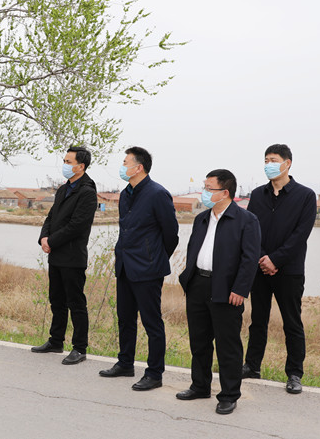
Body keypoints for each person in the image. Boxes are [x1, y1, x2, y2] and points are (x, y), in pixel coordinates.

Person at [176, 169, 260, 415]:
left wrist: (240, 289)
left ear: (225, 193)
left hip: (226, 289)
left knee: (228, 345)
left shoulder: (246, 220)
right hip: (198, 285)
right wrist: (188, 279)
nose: (203, 192)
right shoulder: (202, 218)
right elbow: (193, 249)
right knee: (199, 341)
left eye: (208, 188)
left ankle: (229, 395)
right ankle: (200, 386)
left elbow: (250, 259)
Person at [99, 147, 178, 390]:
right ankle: (125, 363)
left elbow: (171, 234)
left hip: (148, 269)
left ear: (139, 167)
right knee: (125, 318)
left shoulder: (158, 194)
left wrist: (154, 258)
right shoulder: (126, 194)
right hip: (125, 265)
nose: (122, 167)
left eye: (125, 162)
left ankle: (154, 373)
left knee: (152, 323)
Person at [242, 144, 317, 394]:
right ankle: (252, 366)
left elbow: (300, 235)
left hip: (289, 270)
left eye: (273, 160)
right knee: (257, 321)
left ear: (287, 163)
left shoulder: (305, 196)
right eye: (266, 160)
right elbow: (251, 229)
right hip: (260, 269)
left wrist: (275, 260)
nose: (268, 165)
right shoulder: (257, 194)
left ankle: (294, 373)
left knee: (292, 323)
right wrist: (262, 258)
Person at [31, 146, 98, 365]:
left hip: (72, 256)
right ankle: (56, 340)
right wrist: (43, 237)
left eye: (69, 162)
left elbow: (77, 226)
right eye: (64, 161)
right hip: (56, 255)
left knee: (76, 303)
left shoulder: (87, 192)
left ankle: (79, 348)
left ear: (81, 166)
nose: (65, 165)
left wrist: (51, 241)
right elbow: (51, 217)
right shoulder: (63, 189)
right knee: (57, 300)